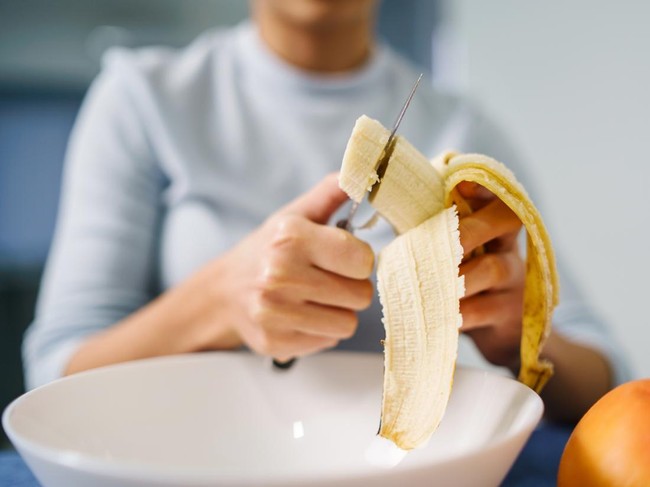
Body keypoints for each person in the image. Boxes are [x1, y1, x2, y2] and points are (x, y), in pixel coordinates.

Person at [24, 0, 629, 423]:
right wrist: (219, 301)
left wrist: (516, 331)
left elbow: (606, 380)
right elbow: (53, 378)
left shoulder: (462, 127)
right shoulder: (141, 99)